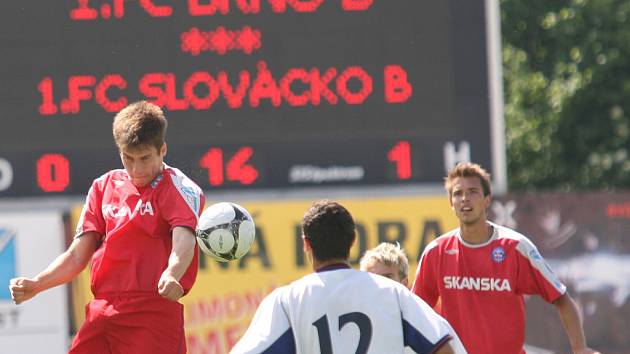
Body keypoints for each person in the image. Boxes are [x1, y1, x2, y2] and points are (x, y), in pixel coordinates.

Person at [8, 101, 205, 354]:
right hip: (103, 311)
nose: (136, 169)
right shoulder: (104, 186)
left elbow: (184, 242)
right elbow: (78, 254)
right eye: (128, 158)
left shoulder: (179, 187)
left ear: (162, 149)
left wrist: (171, 273)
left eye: (145, 158)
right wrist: (37, 284)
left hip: (152, 312)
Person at [411, 162, 600, 354]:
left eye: (473, 192)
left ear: (487, 200)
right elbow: (415, 312)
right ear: (451, 203)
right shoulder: (436, 252)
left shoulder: (515, 247)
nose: (465, 199)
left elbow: (562, 299)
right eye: (458, 193)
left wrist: (580, 348)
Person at [231, 200, 459, 354]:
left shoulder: (287, 301)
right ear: (353, 240)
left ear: (306, 244)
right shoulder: (393, 293)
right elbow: (443, 347)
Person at [360, 242, 468, 354]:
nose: (380, 284)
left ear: (404, 283)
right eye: (373, 277)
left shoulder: (432, 323)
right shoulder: (353, 320)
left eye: (387, 277)